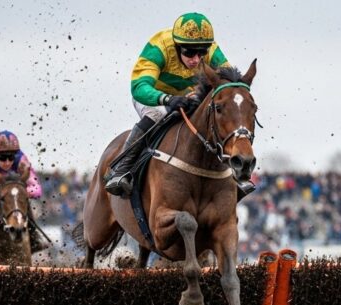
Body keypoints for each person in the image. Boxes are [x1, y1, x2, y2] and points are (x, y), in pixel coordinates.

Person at [105, 12, 254, 197]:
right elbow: (139, 87)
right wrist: (167, 99)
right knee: (158, 114)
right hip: (153, 97)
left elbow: (229, 85)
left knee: (215, 118)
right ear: (176, 46)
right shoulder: (159, 47)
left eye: (202, 53)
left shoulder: (212, 50)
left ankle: (233, 174)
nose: (196, 59)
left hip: (188, 97)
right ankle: (122, 169)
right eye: (189, 52)